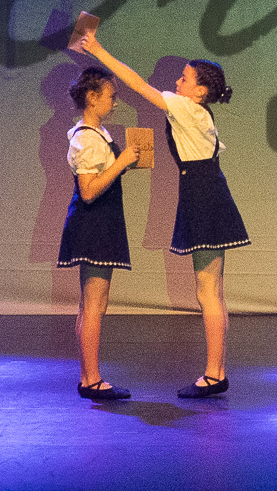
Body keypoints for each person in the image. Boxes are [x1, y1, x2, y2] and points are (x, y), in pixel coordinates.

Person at [79, 32, 249, 399]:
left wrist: (97, 49)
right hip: (208, 192)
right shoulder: (198, 112)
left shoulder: (187, 108)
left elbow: (138, 86)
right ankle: (217, 371)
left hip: (203, 197)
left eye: (184, 79)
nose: (177, 82)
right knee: (213, 291)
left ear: (199, 91)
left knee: (207, 291)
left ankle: (214, 374)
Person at [59, 67, 141, 400]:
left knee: (91, 304)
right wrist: (120, 163)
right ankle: (91, 380)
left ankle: (88, 377)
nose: (115, 102)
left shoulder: (96, 134)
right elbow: (89, 190)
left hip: (100, 223)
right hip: (94, 224)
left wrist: (122, 164)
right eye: (111, 96)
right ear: (92, 98)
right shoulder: (87, 138)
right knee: (94, 305)